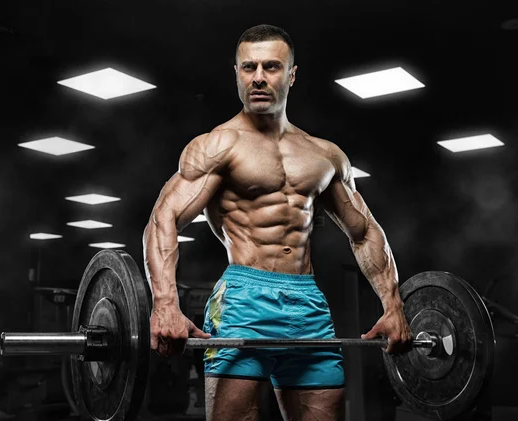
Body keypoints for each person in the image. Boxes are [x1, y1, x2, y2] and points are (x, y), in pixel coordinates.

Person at [143, 24, 412, 421]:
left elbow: (365, 230)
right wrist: (165, 302)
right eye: (248, 67)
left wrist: (393, 305)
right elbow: (163, 218)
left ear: (291, 74)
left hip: (309, 304)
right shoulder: (218, 145)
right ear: (235, 73)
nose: (258, 77)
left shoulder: (324, 155)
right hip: (243, 299)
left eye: (271, 67)